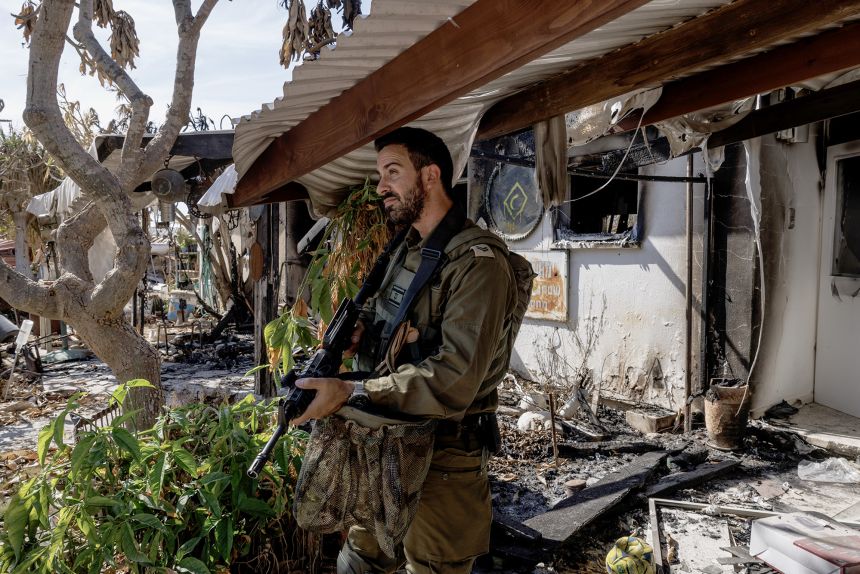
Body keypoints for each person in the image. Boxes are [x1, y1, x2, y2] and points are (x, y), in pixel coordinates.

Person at [291, 127, 517, 574]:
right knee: (360, 560)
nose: (381, 187)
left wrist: (352, 393)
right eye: (380, 176)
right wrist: (360, 335)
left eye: (392, 172)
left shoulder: (478, 263)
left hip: (444, 458)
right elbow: (388, 321)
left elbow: (454, 378)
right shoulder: (406, 249)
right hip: (386, 445)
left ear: (430, 176)